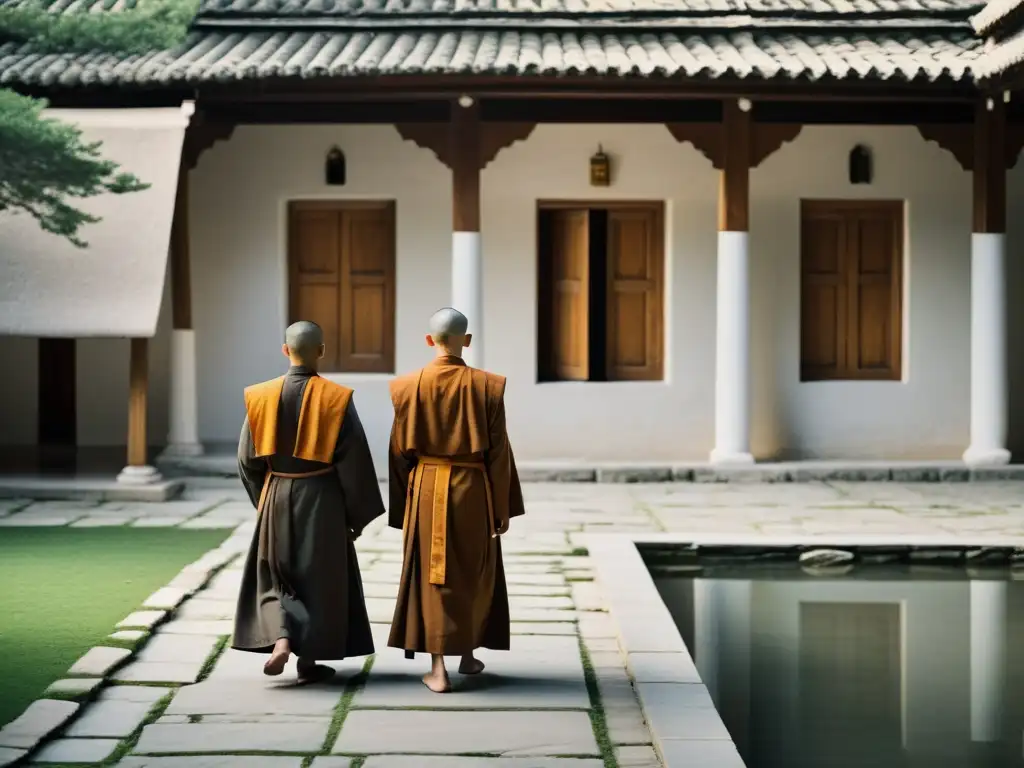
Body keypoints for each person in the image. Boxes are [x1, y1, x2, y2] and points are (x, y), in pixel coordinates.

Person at [233, 320, 385, 684]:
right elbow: (355, 460)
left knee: (277, 575)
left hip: (277, 491)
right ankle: (309, 660)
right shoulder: (336, 398)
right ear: (320, 350)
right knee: (319, 578)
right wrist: (356, 516)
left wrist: (263, 499)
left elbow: (246, 459)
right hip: (322, 497)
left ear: (285, 350)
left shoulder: (260, 396)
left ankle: (282, 638)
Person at [387, 307, 526, 693]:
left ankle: (439, 668)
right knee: (473, 570)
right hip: (474, 487)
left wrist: (403, 510)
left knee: (434, 577)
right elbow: (499, 453)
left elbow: (398, 452)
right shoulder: (488, 385)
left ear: (430, 340)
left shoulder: (406, 386)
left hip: (427, 486)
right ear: (466, 340)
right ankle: (466, 654)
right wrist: (503, 508)